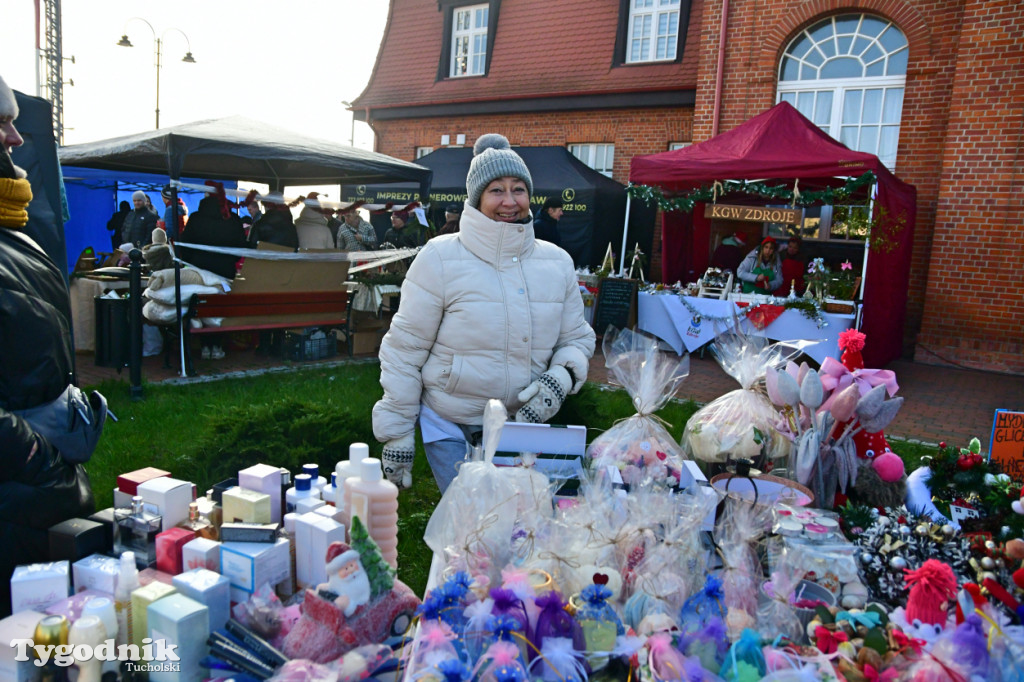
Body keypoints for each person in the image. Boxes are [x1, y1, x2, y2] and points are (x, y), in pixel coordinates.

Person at [373, 133, 595, 492]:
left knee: (519, 526)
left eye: (518, 189)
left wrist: (561, 378)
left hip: (521, 426)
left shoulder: (557, 263)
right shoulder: (440, 258)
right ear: (476, 199)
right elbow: (404, 350)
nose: (509, 201)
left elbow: (576, 339)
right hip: (451, 423)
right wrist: (397, 433)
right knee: (469, 529)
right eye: (496, 190)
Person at [0, 75, 95, 616]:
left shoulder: (17, 223)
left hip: (42, 498)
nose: (15, 138)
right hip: (17, 495)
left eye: (15, 120)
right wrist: (36, 454)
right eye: (1, 123)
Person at [177, 185, 248, 359]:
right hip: (225, 272)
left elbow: (184, 246)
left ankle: (205, 346)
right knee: (220, 308)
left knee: (201, 308)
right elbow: (240, 248)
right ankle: (217, 345)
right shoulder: (233, 220)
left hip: (199, 271)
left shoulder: (195, 218)